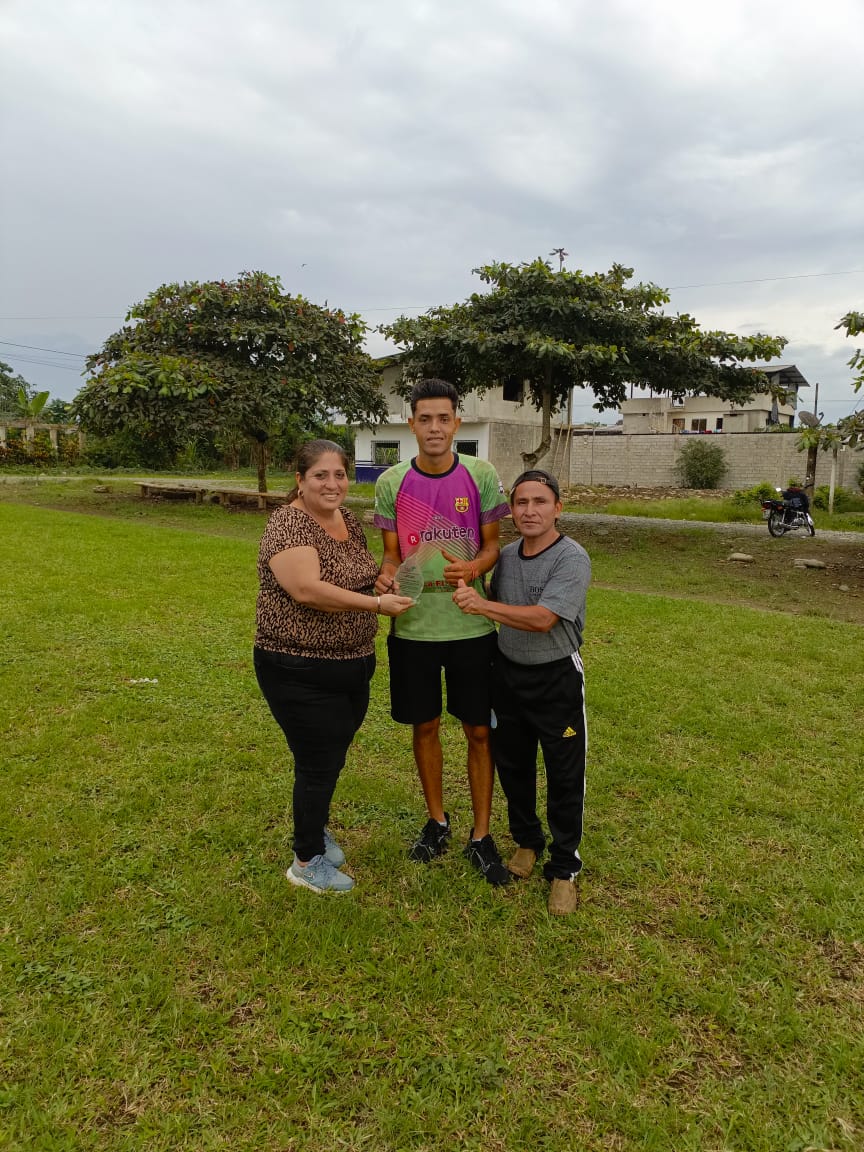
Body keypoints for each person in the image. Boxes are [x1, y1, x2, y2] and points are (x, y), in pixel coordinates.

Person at [254, 440, 413, 894]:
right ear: (300, 480)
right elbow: (307, 589)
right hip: (297, 666)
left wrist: (380, 581)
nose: (332, 483)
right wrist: (376, 605)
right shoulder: (288, 523)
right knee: (318, 762)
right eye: (320, 475)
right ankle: (306, 861)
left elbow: (356, 574)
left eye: (339, 474)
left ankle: (314, 825)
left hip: (352, 663)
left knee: (329, 756)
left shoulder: (346, 519)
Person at [373, 379, 512, 886]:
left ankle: (482, 835)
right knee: (425, 726)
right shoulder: (391, 481)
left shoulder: (481, 474)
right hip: (413, 628)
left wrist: (472, 568)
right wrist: (385, 578)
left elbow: (493, 547)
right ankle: (436, 822)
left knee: (479, 730)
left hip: (471, 626)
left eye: (443, 418)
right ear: (411, 424)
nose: (435, 427)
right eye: (425, 419)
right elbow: (392, 554)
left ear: (457, 422)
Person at [452, 469, 591, 916]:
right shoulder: (508, 556)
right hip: (507, 674)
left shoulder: (571, 557)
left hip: (555, 678)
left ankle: (564, 868)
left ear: (558, 508)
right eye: (521, 503)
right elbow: (492, 598)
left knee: (564, 773)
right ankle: (528, 841)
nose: (530, 511)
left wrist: (482, 605)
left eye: (540, 502)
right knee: (513, 766)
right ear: (511, 510)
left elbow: (543, 619)